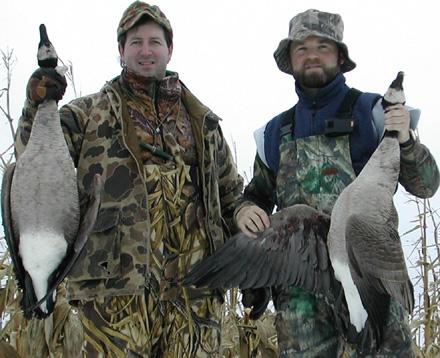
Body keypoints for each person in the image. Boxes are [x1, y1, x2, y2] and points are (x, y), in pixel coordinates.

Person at [15, 1, 243, 357]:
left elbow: (231, 198)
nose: (146, 51)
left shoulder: (202, 122)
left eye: (155, 41)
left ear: (170, 49)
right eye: (136, 42)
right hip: (116, 297)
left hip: (195, 295)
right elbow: (33, 161)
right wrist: (37, 105)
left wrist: (251, 273)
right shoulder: (89, 113)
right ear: (121, 50)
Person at [235, 9, 439, 357]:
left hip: (371, 282)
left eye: (322, 46)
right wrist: (245, 211)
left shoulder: (375, 113)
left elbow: (426, 185)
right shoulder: (274, 133)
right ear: (291, 60)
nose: (311, 54)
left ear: (340, 57)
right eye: (301, 48)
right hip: (301, 301)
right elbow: (255, 198)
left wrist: (405, 140)